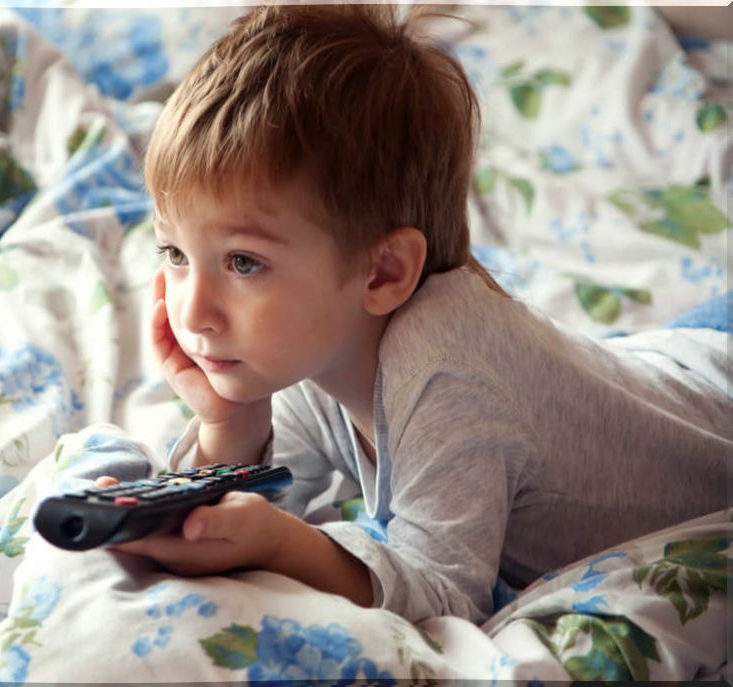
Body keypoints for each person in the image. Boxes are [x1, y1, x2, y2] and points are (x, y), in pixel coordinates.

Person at [97, 4, 732, 624]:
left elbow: (447, 594)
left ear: (384, 272)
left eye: (242, 263)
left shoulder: (446, 374)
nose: (195, 311)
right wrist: (229, 425)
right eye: (175, 252)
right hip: (656, 360)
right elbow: (257, 487)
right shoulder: (316, 342)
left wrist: (281, 544)